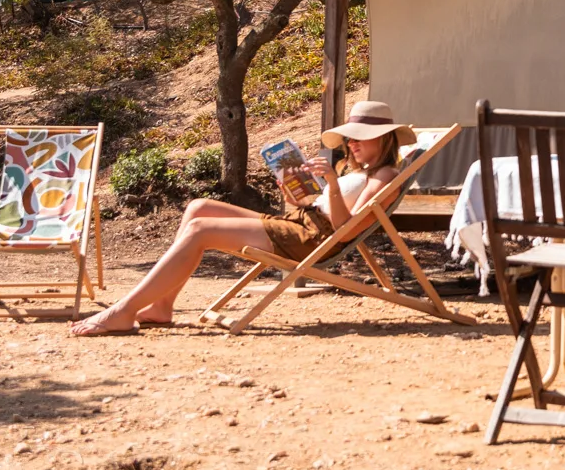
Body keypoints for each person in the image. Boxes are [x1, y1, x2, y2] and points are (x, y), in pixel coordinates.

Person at [70, 101, 416, 336]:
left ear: (384, 139)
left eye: (360, 139)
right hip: (300, 223)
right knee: (199, 207)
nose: (351, 144)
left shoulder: (384, 176)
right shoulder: (356, 169)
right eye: (350, 138)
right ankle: (162, 306)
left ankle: (125, 309)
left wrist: (330, 185)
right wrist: (294, 190)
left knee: (201, 230)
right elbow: (319, 207)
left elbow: (345, 230)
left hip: (312, 240)